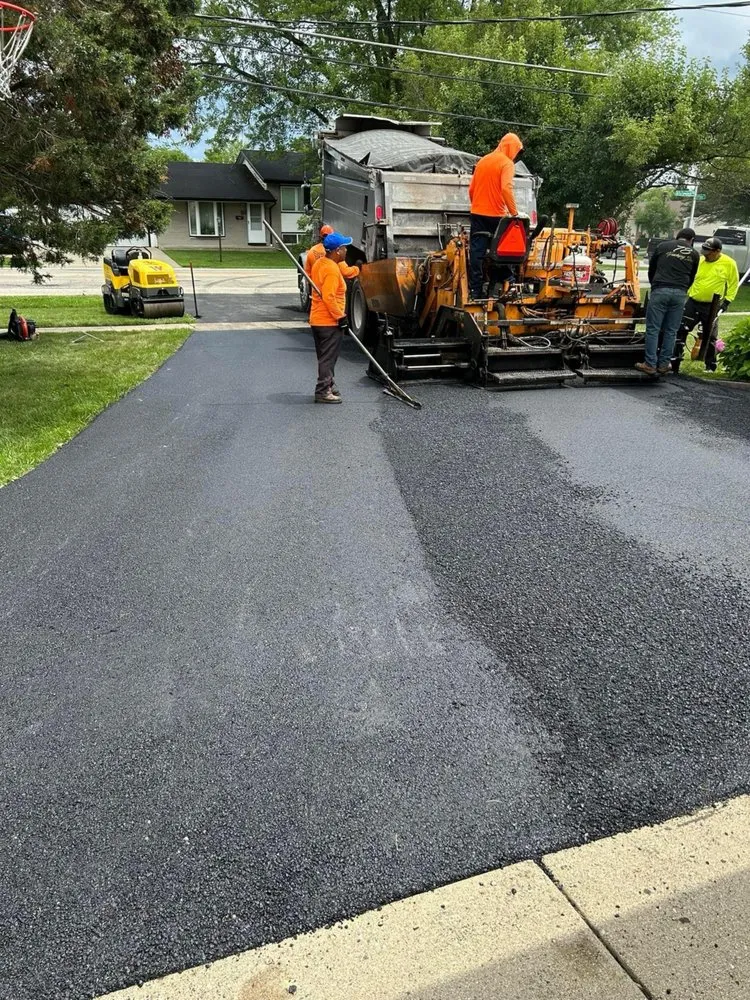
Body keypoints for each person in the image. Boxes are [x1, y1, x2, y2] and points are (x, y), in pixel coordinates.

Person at [636, 227, 699, 376]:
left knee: (653, 329)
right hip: (679, 293)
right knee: (671, 330)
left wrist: (655, 285)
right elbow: (692, 275)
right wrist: (682, 289)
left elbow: (652, 268)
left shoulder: (663, 246)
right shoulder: (694, 254)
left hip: (660, 289)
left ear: (677, 237)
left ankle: (650, 364)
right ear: (691, 240)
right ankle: (664, 364)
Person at [467, 132, 524, 300]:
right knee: (504, 251)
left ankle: (476, 291)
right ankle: (509, 281)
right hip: (497, 215)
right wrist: (514, 214)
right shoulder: (507, 163)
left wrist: (477, 204)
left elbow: (471, 189)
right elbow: (506, 188)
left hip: (477, 213)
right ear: (511, 148)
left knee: (477, 253)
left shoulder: (483, 161)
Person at [673, 237, 739, 373]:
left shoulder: (729, 263)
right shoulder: (700, 261)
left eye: (709, 252)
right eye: (705, 251)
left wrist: (727, 301)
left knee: (710, 335)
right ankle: (675, 361)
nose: (706, 254)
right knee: (681, 329)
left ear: (717, 251)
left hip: (712, 305)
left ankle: (710, 365)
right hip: (693, 301)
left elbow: (733, 284)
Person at [309, 232, 353, 404]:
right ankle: (322, 391)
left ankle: (330, 385)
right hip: (328, 322)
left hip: (317, 320)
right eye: (344, 248)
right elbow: (329, 297)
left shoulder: (320, 263)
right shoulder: (332, 270)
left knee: (325, 357)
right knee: (328, 358)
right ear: (337, 251)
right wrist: (340, 317)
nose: (346, 250)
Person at [304, 223, 360, 294]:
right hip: (331, 291)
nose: (345, 250)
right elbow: (345, 272)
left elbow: (308, 275)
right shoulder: (334, 255)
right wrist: (357, 268)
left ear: (320, 236)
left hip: (317, 291)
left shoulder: (312, 251)